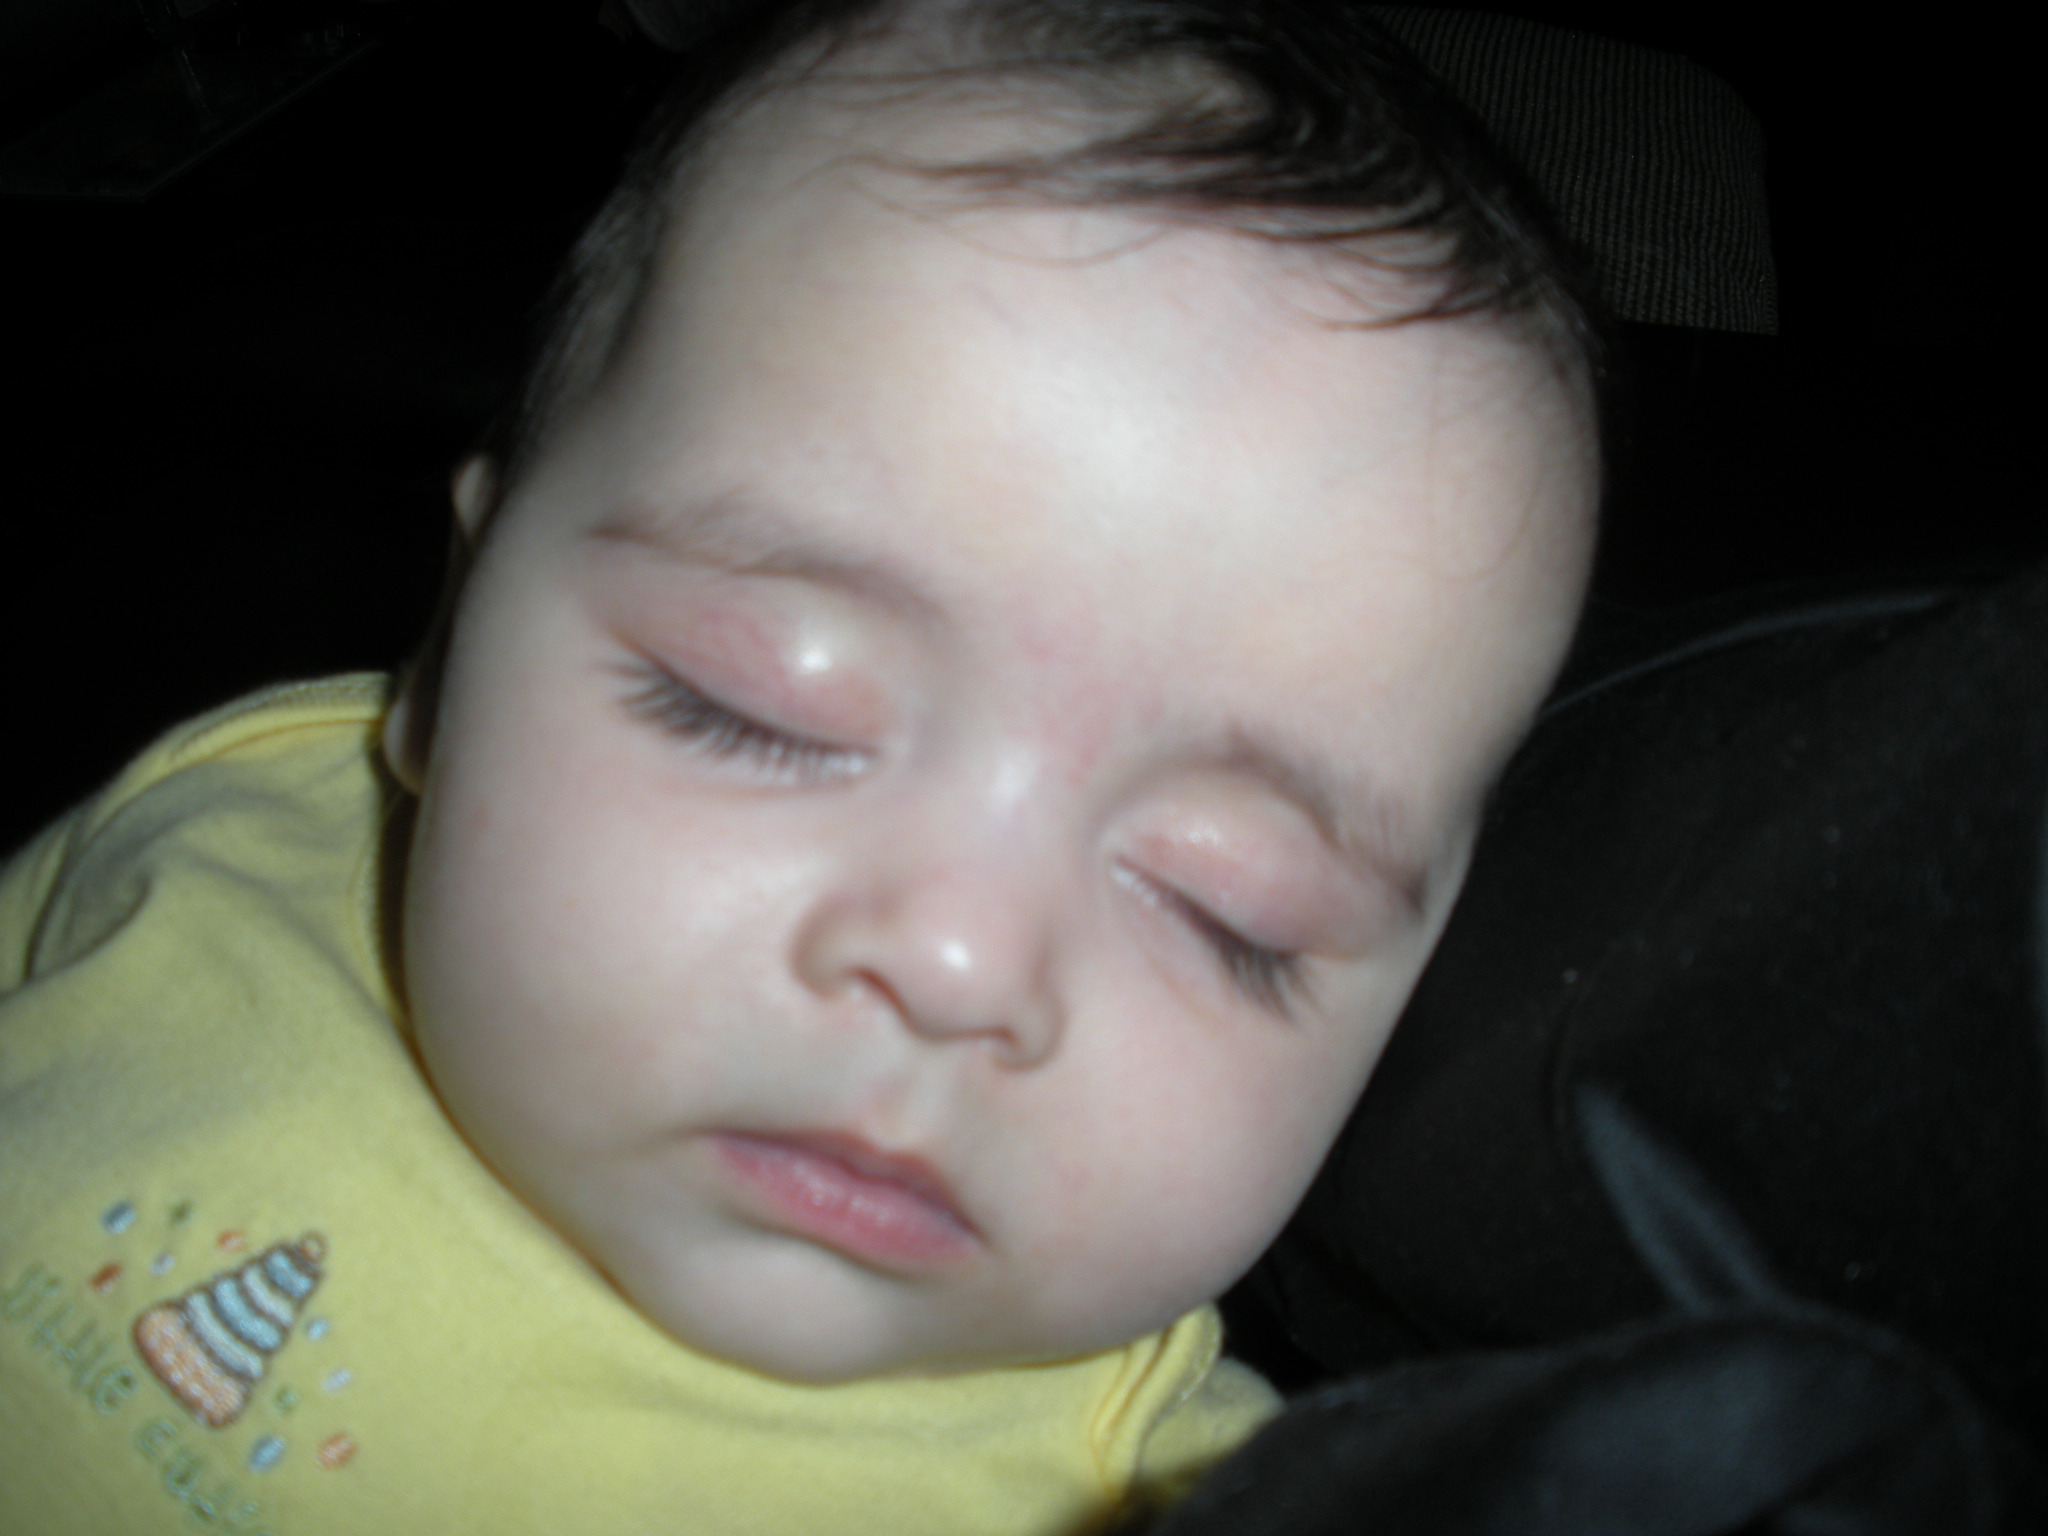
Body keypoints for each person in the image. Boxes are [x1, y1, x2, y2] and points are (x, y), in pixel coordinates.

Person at [0, 2, 1601, 1531]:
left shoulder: (1178, 1507)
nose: (962, 963)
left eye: (1227, 907)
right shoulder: (218, 830)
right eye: (756, 709)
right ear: (443, 653)